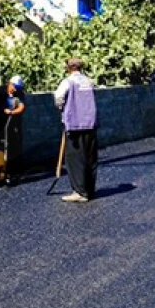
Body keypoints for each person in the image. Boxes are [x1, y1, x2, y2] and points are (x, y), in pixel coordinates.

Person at [53, 58, 98, 202]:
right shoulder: (88, 81)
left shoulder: (68, 82)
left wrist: (62, 109)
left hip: (74, 124)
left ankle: (79, 191)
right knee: (90, 158)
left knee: (75, 158)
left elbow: (58, 97)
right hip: (90, 124)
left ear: (68, 68)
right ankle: (89, 190)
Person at [0, 75, 26, 184]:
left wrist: (12, 112)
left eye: (17, 88)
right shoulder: (1, 91)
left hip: (13, 123)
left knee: (14, 148)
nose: (15, 89)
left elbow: (21, 107)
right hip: (0, 122)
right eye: (14, 87)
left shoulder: (19, 94)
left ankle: (13, 173)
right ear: (9, 83)